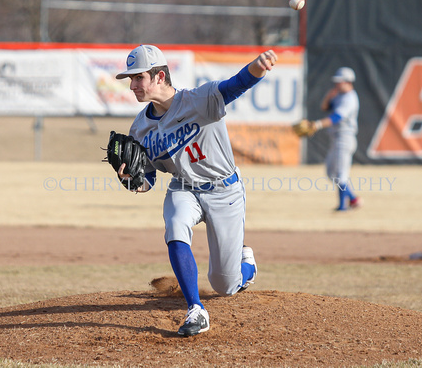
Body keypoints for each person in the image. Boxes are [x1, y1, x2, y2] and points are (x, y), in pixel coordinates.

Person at [114, 44, 277, 336]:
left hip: (225, 191)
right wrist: (130, 180)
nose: (133, 85)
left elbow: (237, 85)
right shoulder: (140, 128)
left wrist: (259, 66)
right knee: (175, 224)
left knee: (225, 286)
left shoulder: (199, 100)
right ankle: (196, 309)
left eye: (139, 77)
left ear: (160, 76)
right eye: (131, 79)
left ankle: (246, 265)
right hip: (183, 188)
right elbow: (147, 179)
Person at [312, 67, 362, 211]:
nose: (337, 84)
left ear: (348, 82)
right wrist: (329, 95)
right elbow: (324, 107)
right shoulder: (339, 95)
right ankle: (353, 199)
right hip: (336, 139)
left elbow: (336, 117)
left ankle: (342, 206)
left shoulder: (350, 98)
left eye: (340, 82)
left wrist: (317, 125)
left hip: (345, 138)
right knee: (330, 172)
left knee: (341, 175)